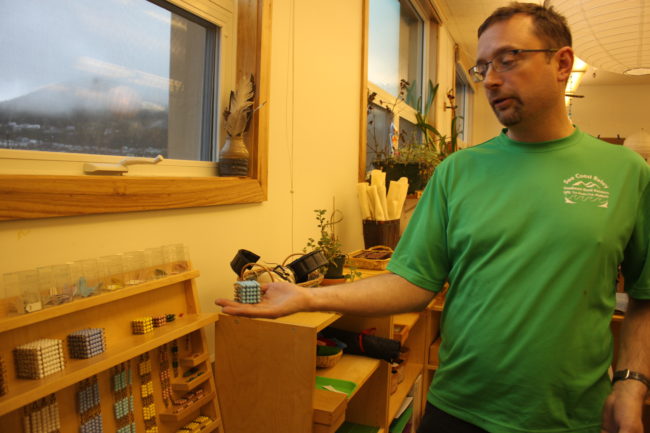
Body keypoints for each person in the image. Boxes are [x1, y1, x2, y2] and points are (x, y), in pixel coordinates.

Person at [216, 3, 650, 432]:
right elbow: (411, 282)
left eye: (508, 59)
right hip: (458, 410)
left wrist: (632, 385)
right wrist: (307, 298)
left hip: (572, 419)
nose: (492, 79)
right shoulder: (458, 172)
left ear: (562, 63)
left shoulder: (627, 173)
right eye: (482, 68)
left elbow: (645, 296)